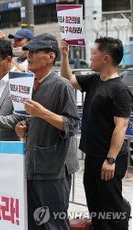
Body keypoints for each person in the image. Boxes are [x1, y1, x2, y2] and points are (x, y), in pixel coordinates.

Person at [0, 34, 80, 229]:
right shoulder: (28, 85)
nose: (30, 56)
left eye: (36, 52)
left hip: (54, 168)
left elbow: (72, 125)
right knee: (33, 221)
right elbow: (22, 118)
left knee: (54, 223)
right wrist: (24, 129)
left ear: (51, 56)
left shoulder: (61, 85)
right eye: (29, 51)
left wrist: (43, 113)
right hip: (31, 165)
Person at [60, 37, 132, 229]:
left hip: (108, 159)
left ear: (106, 58)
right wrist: (65, 56)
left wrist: (111, 160)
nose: (90, 57)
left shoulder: (120, 89)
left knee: (113, 209)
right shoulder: (94, 80)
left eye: (93, 54)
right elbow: (69, 79)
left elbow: (121, 127)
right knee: (96, 206)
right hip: (92, 156)